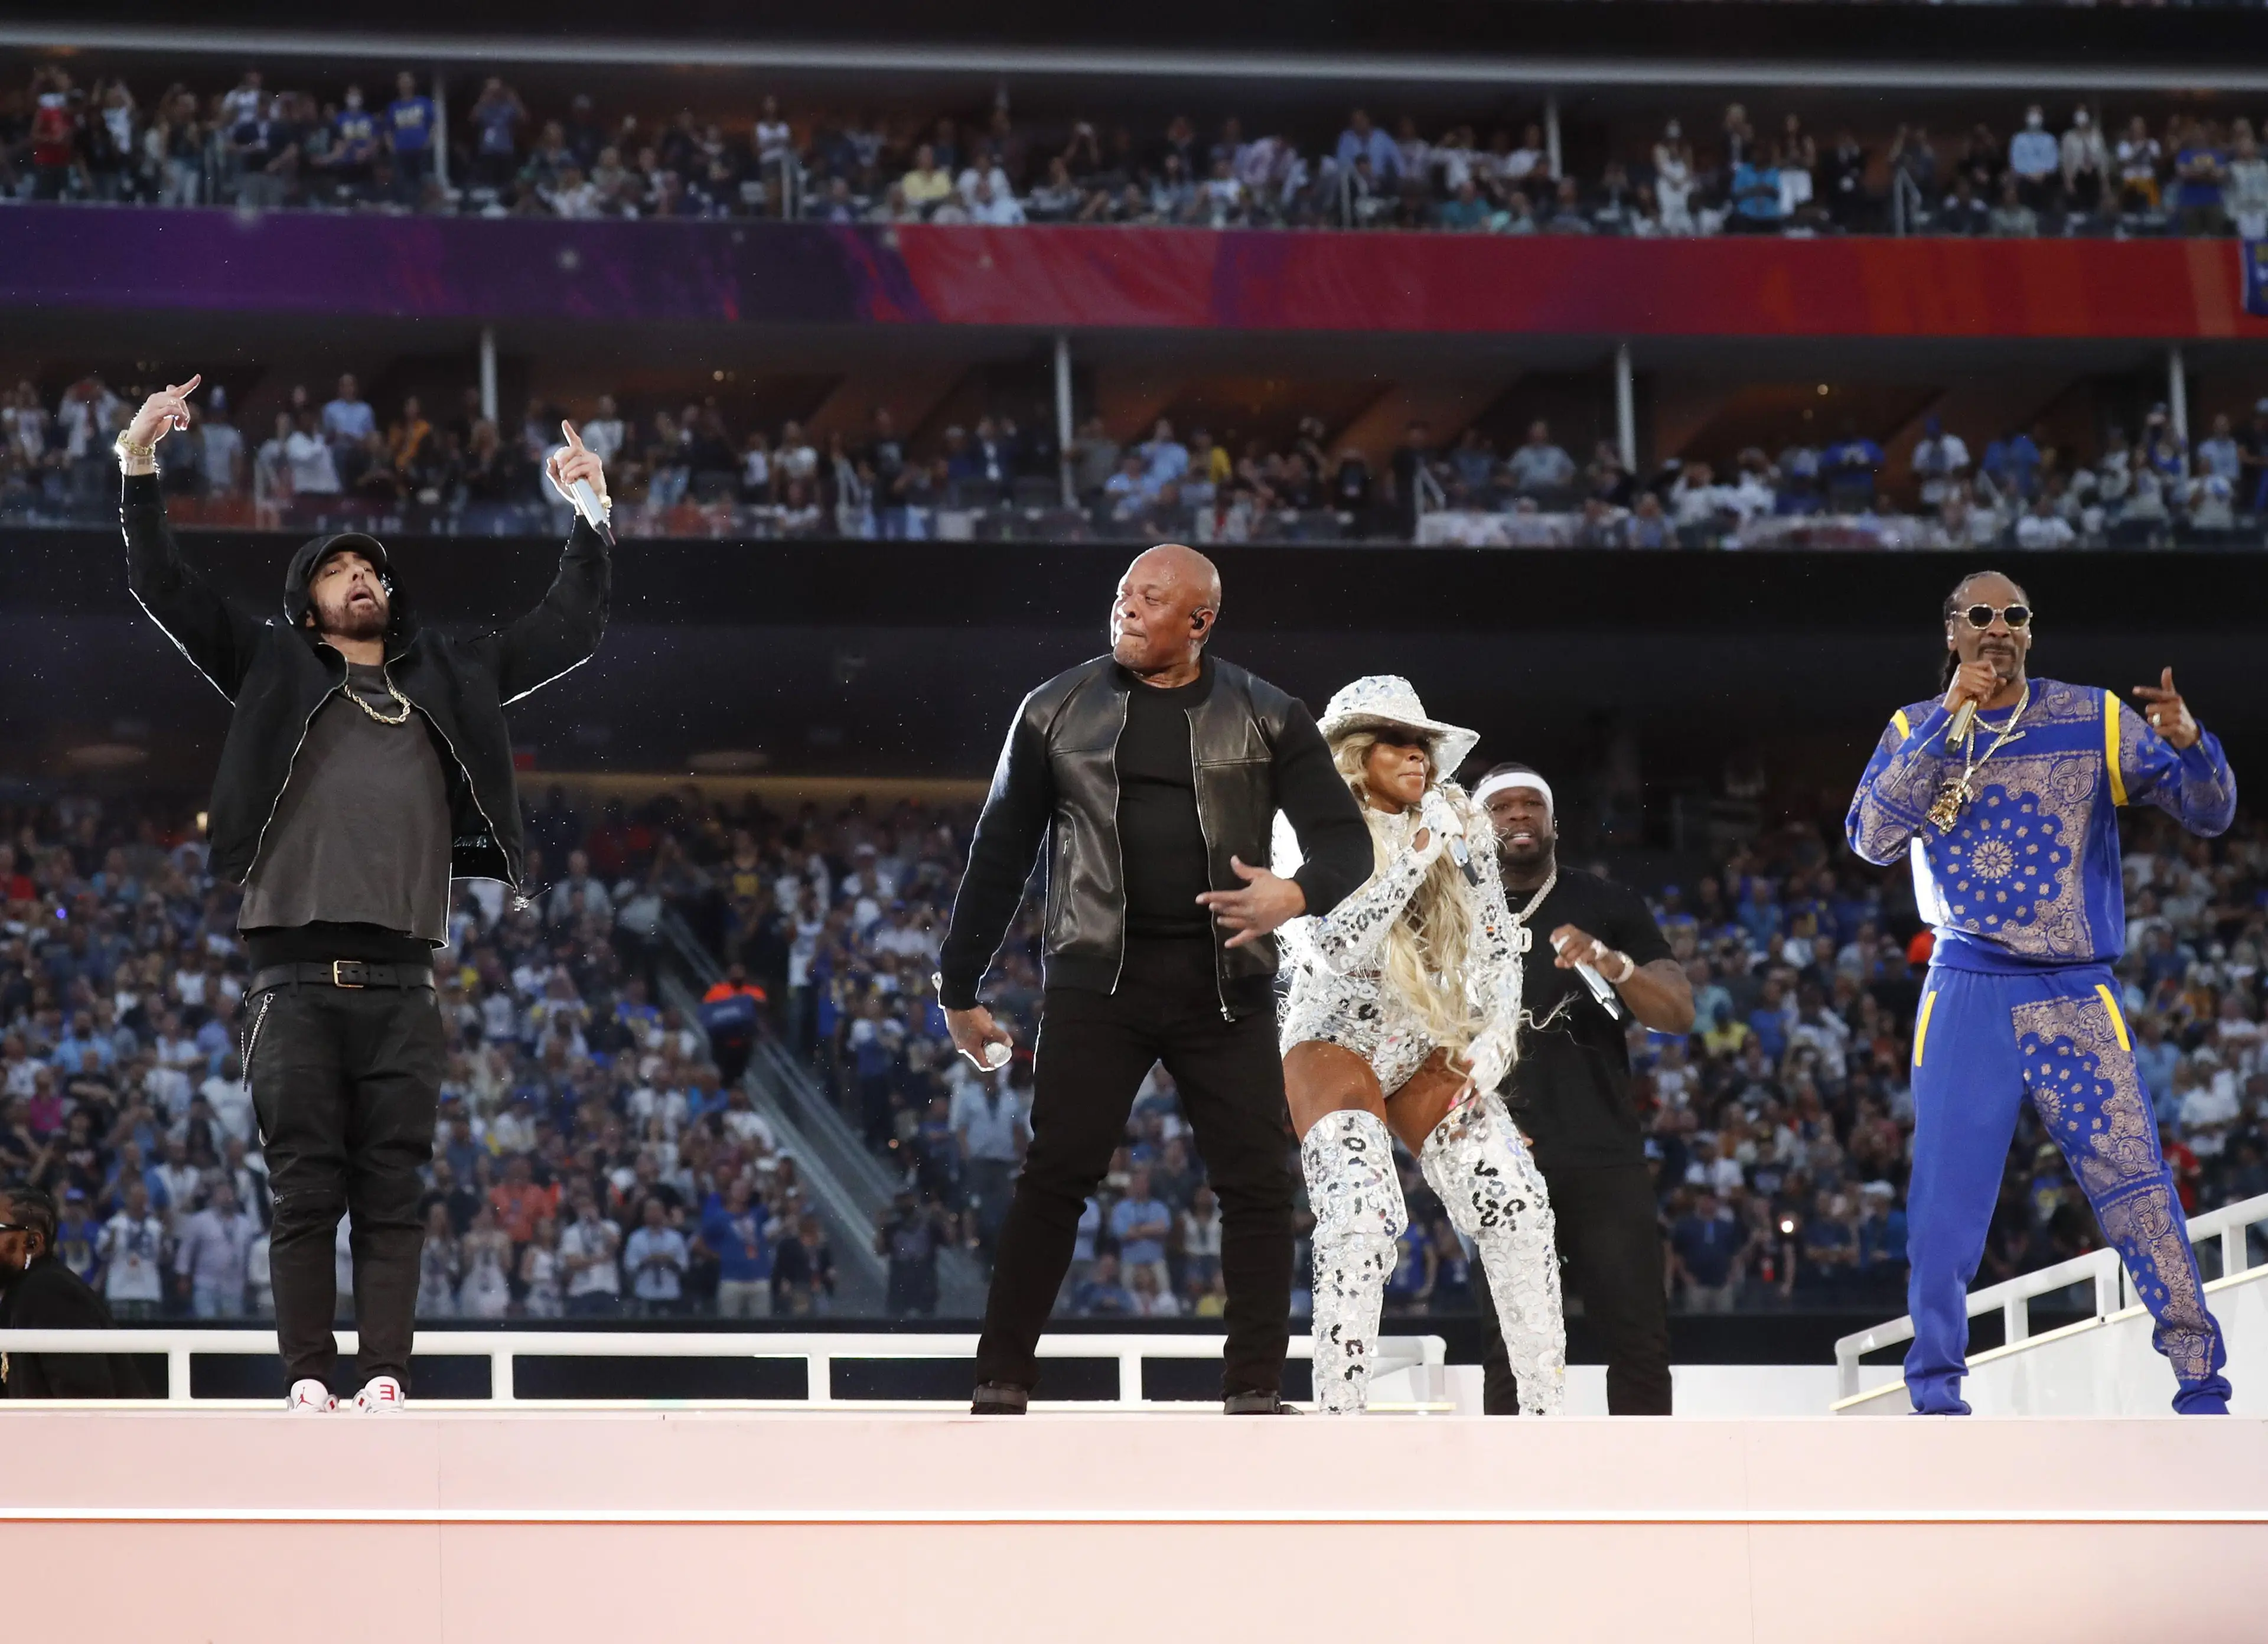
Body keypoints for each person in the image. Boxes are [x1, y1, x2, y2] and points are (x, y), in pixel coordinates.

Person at [116, 373, 611, 1413]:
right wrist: (140, 464)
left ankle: (384, 1372)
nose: (358, 580)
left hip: (402, 976)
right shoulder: (267, 664)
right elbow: (167, 586)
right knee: (305, 1190)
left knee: (395, 1192)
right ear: (309, 601)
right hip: (287, 972)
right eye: (337, 570)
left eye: (370, 568)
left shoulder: (453, 673)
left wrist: (591, 516)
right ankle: (306, 1378)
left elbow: (563, 630)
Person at [939, 543, 1373, 1414]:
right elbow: (999, 855)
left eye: (1150, 598)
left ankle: (1254, 1384)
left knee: (1255, 1182)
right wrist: (958, 987)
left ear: (1199, 621)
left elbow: (1346, 844)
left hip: (1227, 984)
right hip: (1100, 980)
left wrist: (1295, 892)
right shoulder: (1053, 709)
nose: (1125, 610)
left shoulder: (1267, 712)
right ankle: (1001, 1376)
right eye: (1122, 595)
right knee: (1057, 1171)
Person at [1847, 569, 2236, 1415]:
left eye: (2014, 615)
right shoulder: (1915, 725)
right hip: (1965, 987)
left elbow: (2208, 812)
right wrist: (1950, 715)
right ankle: (1937, 1393)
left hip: (2073, 988)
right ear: (1951, 631)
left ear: (2031, 630)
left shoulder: (2092, 716)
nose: (1999, 628)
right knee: (1944, 1207)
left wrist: (2194, 741)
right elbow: (1872, 836)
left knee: (2137, 1184)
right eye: (1981, 615)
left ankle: (2202, 1381)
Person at [1275, 676, 1565, 1414]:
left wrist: (1499, 1031)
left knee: (1519, 1202)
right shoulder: (1306, 823)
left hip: (1421, 1036)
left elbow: (1499, 943)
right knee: (1363, 1217)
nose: (1418, 757)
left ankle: (1546, 1417)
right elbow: (1333, 944)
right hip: (1333, 1038)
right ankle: (1341, 1420)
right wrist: (1413, 854)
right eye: (1399, 742)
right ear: (1354, 754)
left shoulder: (1457, 825)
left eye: (1424, 745)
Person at [1473, 762, 1696, 1415]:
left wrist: (1612, 960)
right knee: (1510, 1347)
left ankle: (1646, 1498)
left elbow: (1678, 1013)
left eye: (1530, 805)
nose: (1518, 816)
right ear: (1480, 826)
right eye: (1502, 807)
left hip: (1603, 1148)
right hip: (1499, 1155)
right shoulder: (1453, 908)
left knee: (1638, 1335)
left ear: (1553, 823)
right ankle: (1514, 1500)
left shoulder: (1605, 903)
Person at [0, 1187, 148, 1398]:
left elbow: (83, 1402)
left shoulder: (48, 1291)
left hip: (102, 1431)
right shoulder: (18, 1294)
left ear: (32, 1243)